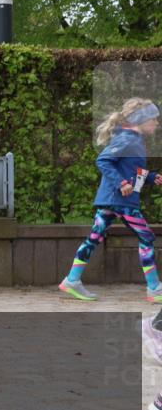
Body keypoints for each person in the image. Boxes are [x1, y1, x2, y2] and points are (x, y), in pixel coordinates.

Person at [59, 98, 161, 302]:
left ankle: (72, 280)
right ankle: (154, 288)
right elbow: (104, 160)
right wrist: (122, 184)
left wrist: (151, 177)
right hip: (121, 201)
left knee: (95, 237)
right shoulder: (128, 139)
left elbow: (133, 171)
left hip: (113, 200)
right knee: (146, 237)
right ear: (142, 119)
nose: (157, 123)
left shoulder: (134, 140)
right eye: (154, 119)